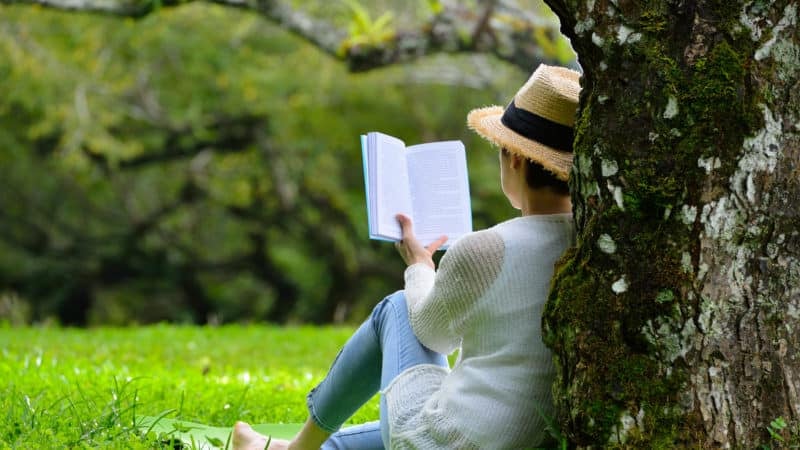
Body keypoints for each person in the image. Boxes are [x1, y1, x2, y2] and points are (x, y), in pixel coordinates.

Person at [232, 64, 581, 449]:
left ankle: (300, 445)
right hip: (531, 440)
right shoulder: (593, 248)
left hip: (454, 442)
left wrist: (419, 267)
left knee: (398, 308)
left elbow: (432, 335)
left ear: (515, 158)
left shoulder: (486, 248)